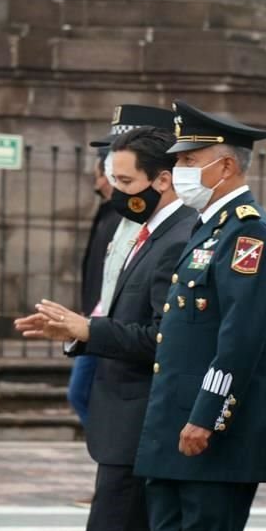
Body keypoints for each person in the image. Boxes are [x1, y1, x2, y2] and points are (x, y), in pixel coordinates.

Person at [15, 127, 195, 531]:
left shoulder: (179, 237)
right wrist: (77, 333)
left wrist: (88, 330)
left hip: (141, 421)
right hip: (123, 420)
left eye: (126, 180)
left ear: (162, 180)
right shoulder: (146, 231)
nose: (116, 191)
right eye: (112, 179)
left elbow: (164, 337)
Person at [132, 100, 266, 531]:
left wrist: (206, 416)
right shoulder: (208, 228)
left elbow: (241, 338)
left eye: (191, 161)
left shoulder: (247, 233)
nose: (180, 172)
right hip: (176, 429)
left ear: (226, 166)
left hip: (214, 431)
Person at [68, 104, 180, 425]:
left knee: (91, 398)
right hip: (107, 325)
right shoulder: (121, 210)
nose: (106, 174)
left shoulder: (164, 220)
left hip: (124, 332)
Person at [66, 147, 121, 426]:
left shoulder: (120, 218)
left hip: (103, 323)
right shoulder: (109, 214)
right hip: (95, 320)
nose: (97, 183)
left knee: (81, 392)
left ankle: (105, 441)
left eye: (100, 176)